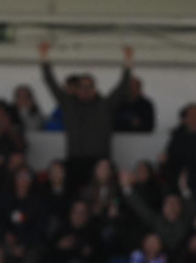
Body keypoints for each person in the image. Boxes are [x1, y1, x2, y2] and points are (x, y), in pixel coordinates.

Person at [39, 42, 135, 191]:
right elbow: (50, 83)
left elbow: (123, 87)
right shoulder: (68, 104)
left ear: (95, 89)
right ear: (76, 90)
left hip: (100, 161)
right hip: (75, 160)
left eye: (88, 86)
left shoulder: (105, 106)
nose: (85, 90)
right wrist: (44, 57)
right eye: (81, 87)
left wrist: (128, 61)